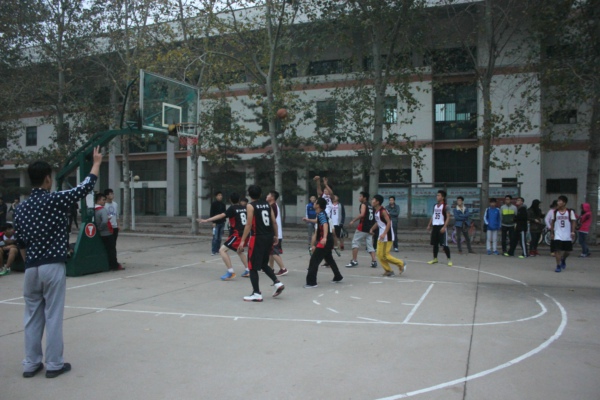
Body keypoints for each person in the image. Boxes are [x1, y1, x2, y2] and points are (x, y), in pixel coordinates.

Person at [14, 146, 102, 379]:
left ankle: (31, 363)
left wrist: (29, 263)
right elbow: (85, 187)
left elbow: (20, 242)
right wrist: (96, 163)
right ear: (47, 179)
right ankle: (53, 364)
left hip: (31, 267)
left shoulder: (21, 209)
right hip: (52, 265)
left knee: (32, 316)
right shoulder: (55, 199)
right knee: (53, 315)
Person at [237, 185, 284, 302]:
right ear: (260, 194)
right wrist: (276, 236)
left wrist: (242, 241)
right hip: (268, 236)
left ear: (249, 194)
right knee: (263, 264)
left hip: (257, 237)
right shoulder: (267, 205)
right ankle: (277, 283)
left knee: (252, 266)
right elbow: (274, 222)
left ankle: (256, 293)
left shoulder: (250, 206)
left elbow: (248, 224)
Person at [198, 192, 250, 280]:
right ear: (239, 200)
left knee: (222, 250)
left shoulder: (232, 208)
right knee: (239, 251)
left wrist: (207, 220)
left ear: (230, 200)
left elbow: (221, 215)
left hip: (237, 234)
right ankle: (248, 270)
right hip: (245, 234)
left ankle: (230, 272)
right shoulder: (244, 208)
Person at [305, 197, 343, 288]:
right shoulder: (321, 214)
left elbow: (325, 224)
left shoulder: (321, 214)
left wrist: (324, 238)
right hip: (328, 240)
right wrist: (309, 220)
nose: (314, 203)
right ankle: (338, 276)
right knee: (329, 259)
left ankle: (311, 282)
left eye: (315, 202)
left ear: (318, 205)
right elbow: (318, 221)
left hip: (325, 241)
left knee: (314, 260)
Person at [370, 195, 405, 277]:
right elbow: (379, 222)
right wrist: (372, 229)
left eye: (373, 199)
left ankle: (401, 263)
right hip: (381, 235)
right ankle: (388, 270)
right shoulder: (376, 211)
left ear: (377, 202)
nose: (372, 201)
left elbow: (389, 222)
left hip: (387, 235)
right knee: (379, 254)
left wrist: (384, 233)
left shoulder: (383, 211)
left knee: (385, 255)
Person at [345, 191, 377, 268]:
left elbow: (362, 214)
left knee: (355, 242)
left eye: (360, 196)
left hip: (363, 227)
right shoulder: (371, 206)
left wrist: (353, 220)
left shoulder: (363, 204)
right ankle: (374, 261)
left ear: (364, 198)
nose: (359, 197)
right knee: (369, 245)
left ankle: (354, 260)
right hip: (370, 227)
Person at [94, 192, 123, 271]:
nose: (104, 201)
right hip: (106, 232)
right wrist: (101, 227)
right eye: (103, 200)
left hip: (100, 233)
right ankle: (114, 265)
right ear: (98, 200)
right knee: (111, 249)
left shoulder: (94, 210)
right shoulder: (102, 209)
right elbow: (104, 221)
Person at [314, 175, 341, 256]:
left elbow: (331, 193)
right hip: (321, 216)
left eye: (326, 189)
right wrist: (318, 181)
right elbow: (319, 190)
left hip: (328, 217)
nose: (325, 190)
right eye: (324, 189)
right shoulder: (322, 196)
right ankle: (313, 247)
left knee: (333, 233)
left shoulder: (331, 197)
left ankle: (335, 246)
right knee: (317, 232)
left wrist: (326, 184)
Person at [550, 195, 577, 273]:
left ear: (564, 203)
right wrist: (552, 233)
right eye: (558, 201)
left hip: (567, 234)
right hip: (558, 233)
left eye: (560, 201)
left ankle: (563, 259)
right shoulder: (555, 212)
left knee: (568, 251)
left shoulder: (569, 212)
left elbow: (573, 222)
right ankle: (558, 265)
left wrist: (573, 231)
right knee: (557, 250)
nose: (558, 202)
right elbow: (552, 222)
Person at [427, 190, 452, 266]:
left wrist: (444, 227)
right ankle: (435, 258)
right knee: (435, 244)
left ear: (442, 197)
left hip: (441, 226)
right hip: (435, 226)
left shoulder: (446, 206)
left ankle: (449, 259)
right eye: (437, 195)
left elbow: (448, 217)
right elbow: (433, 215)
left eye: (439, 195)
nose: (437, 197)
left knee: (444, 245)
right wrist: (429, 225)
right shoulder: (435, 206)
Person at [266, 190, 288, 276]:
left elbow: (272, 221)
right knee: (271, 251)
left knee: (274, 252)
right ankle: (270, 268)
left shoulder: (272, 206)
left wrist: (274, 234)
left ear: (272, 197)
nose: (267, 196)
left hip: (275, 233)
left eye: (268, 195)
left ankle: (283, 269)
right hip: (276, 233)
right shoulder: (274, 205)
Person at [210, 191, 226, 256]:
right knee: (215, 237)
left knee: (220, 237)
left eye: (221, 195)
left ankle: (218, 249)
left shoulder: (223, 204)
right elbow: (212, 213)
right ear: (216, 196)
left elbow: (224, 213)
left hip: (222, 222)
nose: (220, 196)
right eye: (219, 195)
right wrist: (213, 222)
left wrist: (224, 220)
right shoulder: (214, 204)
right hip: (216, 223)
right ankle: (213, 250)